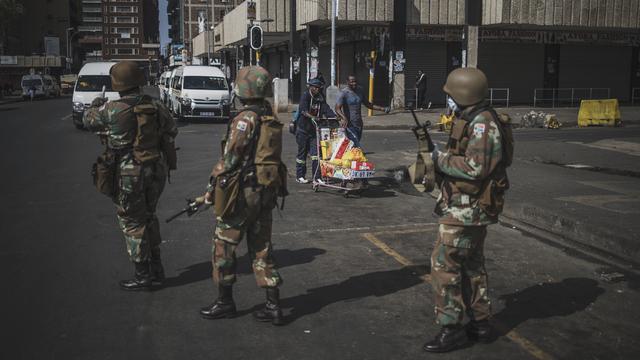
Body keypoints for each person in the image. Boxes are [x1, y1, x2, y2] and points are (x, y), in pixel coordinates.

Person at [423, 67, 512, 353]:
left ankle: (451, 329)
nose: (448, 99)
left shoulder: (483, 124)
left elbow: (475, 168)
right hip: (469, 206)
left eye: (451, 94)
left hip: (467, 209)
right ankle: (480, 324)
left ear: (463, 93)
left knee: (444, 265)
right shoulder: (475, 117)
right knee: (472, 265)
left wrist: (439, 159)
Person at [199, 66, 286, 326]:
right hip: (266, 191)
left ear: (243, 89)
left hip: (242, 194)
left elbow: (230, 159)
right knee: (262, 248)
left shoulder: (245, 119)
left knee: (224, 246)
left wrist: (210, 189)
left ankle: (225, 302)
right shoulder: (269, 116)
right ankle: (273, 306)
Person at [83, 61, 178, 291]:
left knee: (132, 221)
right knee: (149, 216)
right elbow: (172, 129)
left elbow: (88, 120)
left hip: (128, 173)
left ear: (117, 84)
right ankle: (157, 269)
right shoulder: (155, 105)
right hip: (155, 169)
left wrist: (96, 104)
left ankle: (142, 275)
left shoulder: (112, 109)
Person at [295, 78, 334, 184]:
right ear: (310, 87)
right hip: (303, 129)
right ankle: (300, 176)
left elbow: (326, 108)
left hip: (314, 130)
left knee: (316, 154)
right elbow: (303, 110)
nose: (317, 89)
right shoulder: (305, 96)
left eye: (318, 87)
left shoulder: (320, 97)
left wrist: (335, 117)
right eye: (315, 87)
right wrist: (312, 117)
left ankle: (317, 177)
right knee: (302, 155)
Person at [334, 75, 389, 148]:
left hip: (359, 123)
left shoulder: (360, 90)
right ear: (347, 82)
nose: (354, 83)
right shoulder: (344, 93)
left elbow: (368, 104)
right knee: (355, 145)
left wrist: (382, 109)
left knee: (355, 144)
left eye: (355, 81)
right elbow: (337, 108)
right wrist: (343, 117)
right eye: (352, 82)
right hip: (349, 124)